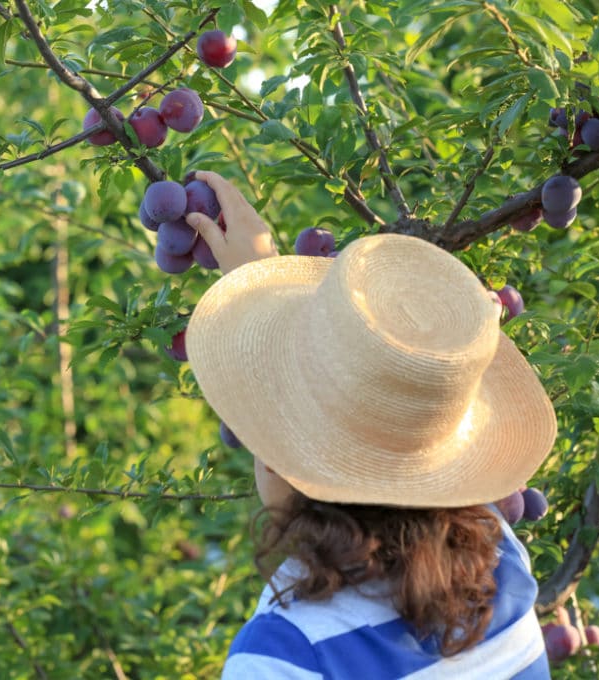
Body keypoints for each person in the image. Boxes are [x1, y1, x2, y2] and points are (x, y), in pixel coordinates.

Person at [183, 172, 558, 679]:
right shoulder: (498, 566)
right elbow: (405, 409)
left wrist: (259, 286)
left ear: (275, 453)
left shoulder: (287, 653)